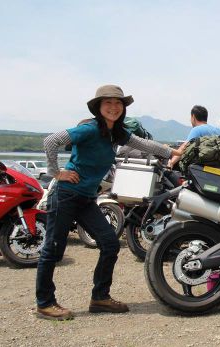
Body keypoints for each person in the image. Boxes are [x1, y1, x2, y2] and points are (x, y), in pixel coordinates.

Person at [36, 85, 182, 321]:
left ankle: (100, 297)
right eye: (108, 103)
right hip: (66, 195)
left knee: (110, 243)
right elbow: (51, 141)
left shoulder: (116, 133)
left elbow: (143, 144)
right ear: (99, 107)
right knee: (53, 250)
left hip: (85, 198)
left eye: (118, 103)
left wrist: (174, 152)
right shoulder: (90, 129)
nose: (114, 107)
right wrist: (56, 172)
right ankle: (45, 304)